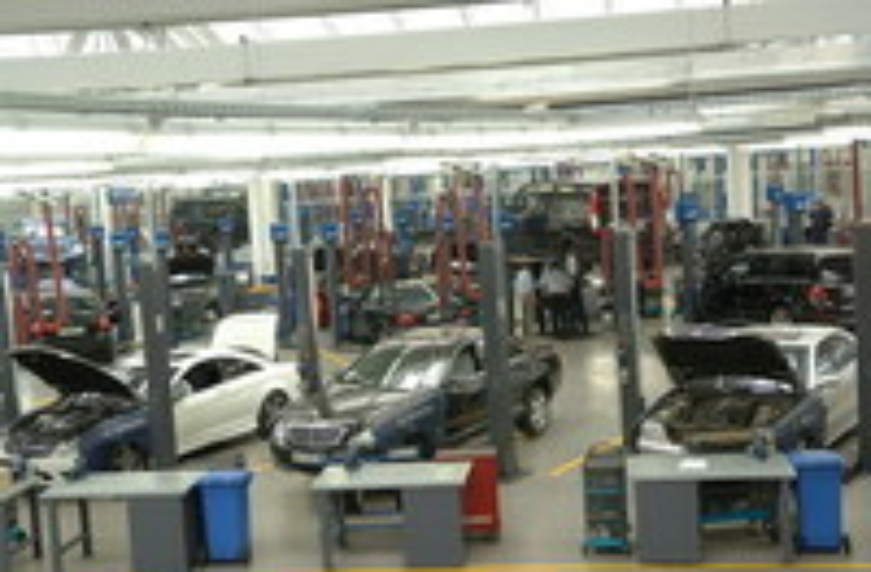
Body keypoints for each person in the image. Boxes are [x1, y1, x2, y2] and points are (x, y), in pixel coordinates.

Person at [513, 263, 536, 337]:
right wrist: (532, 296)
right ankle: (528, 331)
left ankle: (520, 332)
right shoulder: (528, 274)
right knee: (528, 314)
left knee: (519, 314)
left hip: (519, 294)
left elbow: (517, 286)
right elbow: (530, 286)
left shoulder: (518, 274)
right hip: (526, 294)